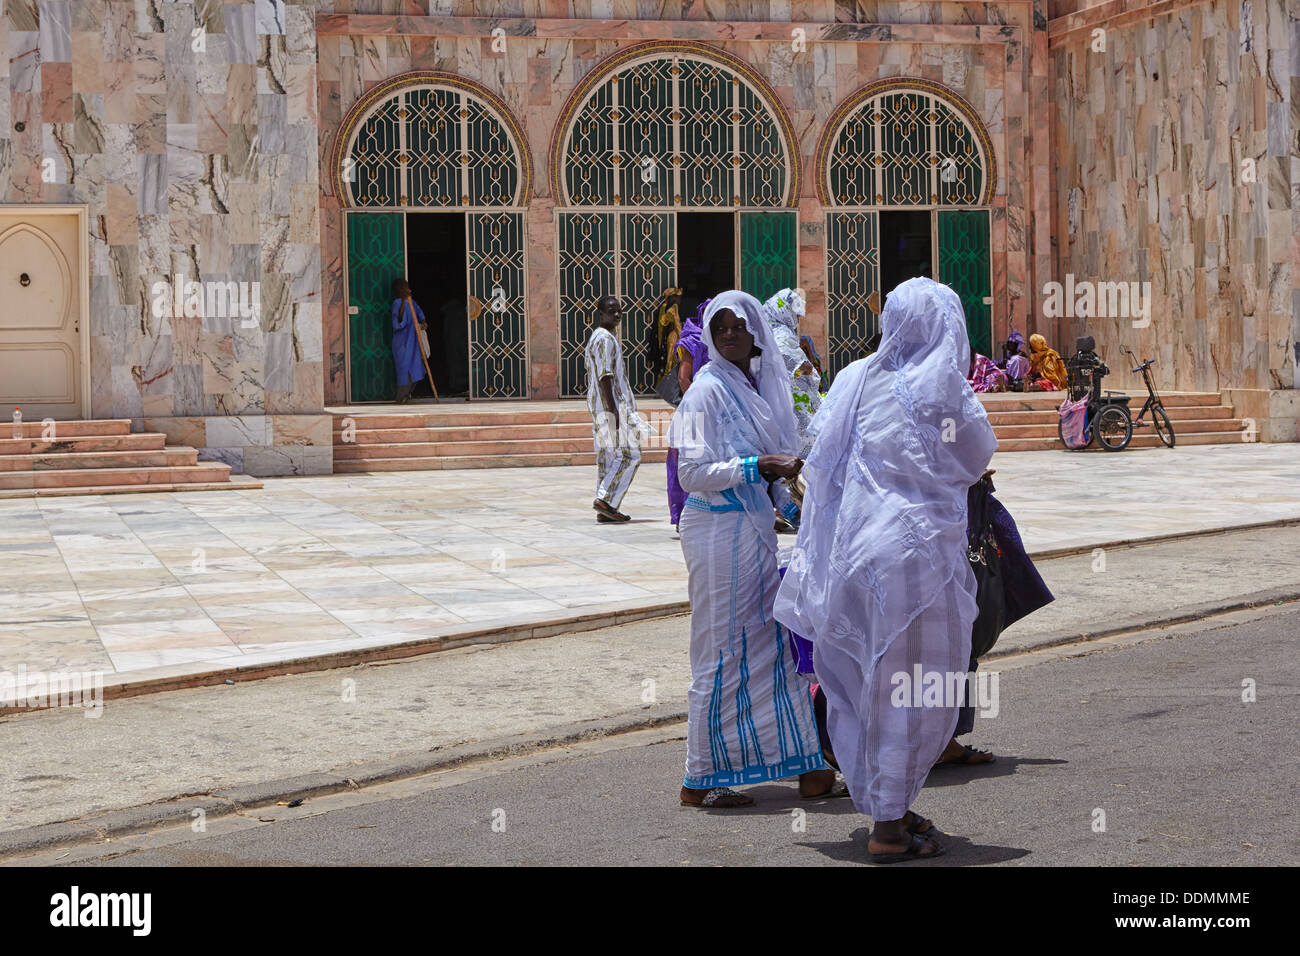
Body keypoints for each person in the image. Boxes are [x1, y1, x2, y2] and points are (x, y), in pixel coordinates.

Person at [775, 277, 999, 862]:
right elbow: (977, 454)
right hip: (914, 563)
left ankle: (888, 803)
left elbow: (821, 458)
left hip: (856, 557)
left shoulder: (852, 378)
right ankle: (889, 830)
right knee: (914, 692)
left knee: (869, 688)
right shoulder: (941, 387)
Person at [670, 290, 836, 808]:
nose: (729, 336)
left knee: (769, 646)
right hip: (717, 533)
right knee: (720, 650)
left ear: (756, 332)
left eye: (738, 327)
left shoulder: (759, 385)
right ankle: (700, 777)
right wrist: (755, 467)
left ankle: (805, 763)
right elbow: (690, 472)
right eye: (720, 329)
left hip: (754, 528)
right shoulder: (706, 391)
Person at [585, 296, 643, 523]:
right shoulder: (604, 339)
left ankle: (606, 509)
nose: (616, 315)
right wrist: (614, 411)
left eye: (619, 311)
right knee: (631, 454)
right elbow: (604, 376)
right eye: (611, 311)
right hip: (609, 407)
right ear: (600, 313)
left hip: (603, 406)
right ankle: (605, 499)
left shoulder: (605, 337)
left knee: (608, 456)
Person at [666, 300, 711, 530]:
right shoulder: (693, 340)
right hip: (695, 411)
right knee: (688, 463)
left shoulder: (718, 341)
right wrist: (699, 403)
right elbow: (684, 378)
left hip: (710, 410)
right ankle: (683, 515)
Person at [763, 288, 821, 458]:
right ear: (784, 312)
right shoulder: (782, 334)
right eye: (795, 315)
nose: (797, 319)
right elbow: (799, 365)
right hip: (792, 400)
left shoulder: (766, 332)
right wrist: (809, 370)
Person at [390, 279, 427, 403]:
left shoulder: (412, 302)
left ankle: (407, 394)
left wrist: (422, 322)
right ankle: (401, 396)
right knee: (404, 370)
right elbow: (398, 323)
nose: (409, 290)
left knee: (416, 368)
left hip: (412, 343)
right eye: (406, 287)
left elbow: (421, 315)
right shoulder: (398, 303)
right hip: (403, 343)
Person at [650, 287, 684, 382]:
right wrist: (683, 338)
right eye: (678, 297)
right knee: (672, 360)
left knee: (668, 359)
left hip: (670, 337)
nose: (679, 299)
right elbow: (677, 324)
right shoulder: (673, 308)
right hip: (674, 337)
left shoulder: (664, 307)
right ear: (673, 297)